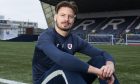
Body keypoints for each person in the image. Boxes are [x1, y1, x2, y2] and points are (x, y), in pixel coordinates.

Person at [32, 1, 119, 84]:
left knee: (100, 59)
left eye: (70, 16)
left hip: (68, 78)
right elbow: (62, 59)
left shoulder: (75, 40)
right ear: (55, 17)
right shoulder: (46, 36)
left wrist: (110, 66)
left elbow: (102, 53)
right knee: (67, 65)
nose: (66, 19)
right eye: (62, 15)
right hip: (44, 81)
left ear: (74, 19)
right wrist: (98, 72)